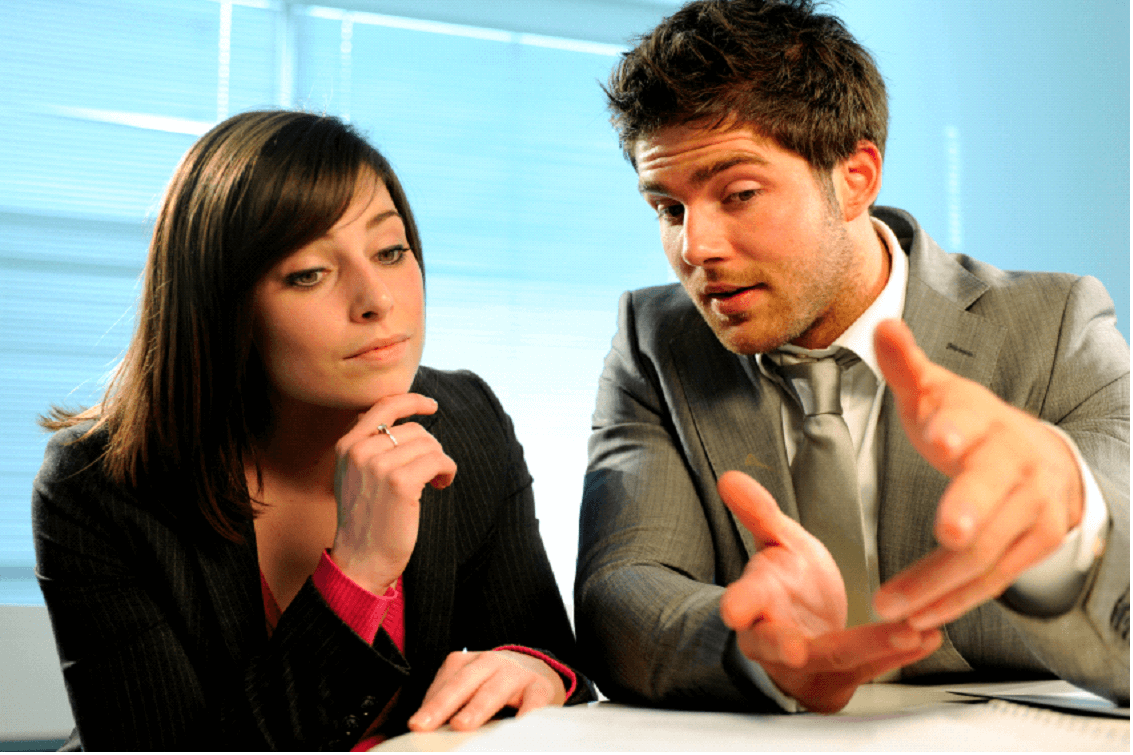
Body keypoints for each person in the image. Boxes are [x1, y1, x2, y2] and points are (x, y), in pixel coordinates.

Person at [575, 0, 1129, 714]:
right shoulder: (653, 342)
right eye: (668, 208)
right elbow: (622, 589)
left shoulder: (1055, 324)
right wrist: (759, 646)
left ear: (855, 178)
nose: (696, 248)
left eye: (738, 194)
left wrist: (1070, 530)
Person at [33, 110, 594, 751]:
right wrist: (356, 574)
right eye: (308, 273)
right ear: (220, 306)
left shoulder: (467, 420)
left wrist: (535, 671)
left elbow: (550, 657)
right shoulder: (99, 486)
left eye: (390, 252)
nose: (377, 300)